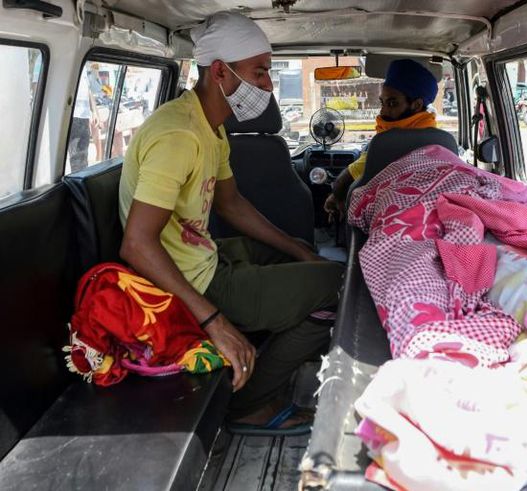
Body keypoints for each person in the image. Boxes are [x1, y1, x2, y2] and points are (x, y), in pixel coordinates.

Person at [118, 11, 344, 433]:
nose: (268, 86)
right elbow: (137, 245)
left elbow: (231, 203)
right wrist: (214, 322)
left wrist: (299, 250)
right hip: (186, 282)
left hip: (206, 258)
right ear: (220, 71)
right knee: (336, 287)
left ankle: (275, 333)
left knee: (299, 251)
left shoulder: (209, 125)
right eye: (259, 73)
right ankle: (248, 403)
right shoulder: (178, 135)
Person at [323, 59, 439, 220]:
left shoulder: (385, 144)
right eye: (382, 102)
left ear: (416, 105)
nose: (382, 112)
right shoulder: (443, 141)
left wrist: (336, 197)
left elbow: (341, 184)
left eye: (392, 103)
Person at [68, 71, 100, 172]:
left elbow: (88, 90)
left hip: (83, 117)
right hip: (72, 116)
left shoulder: (83, 67)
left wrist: (94, 111)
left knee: (82, 158)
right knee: (76, 159)